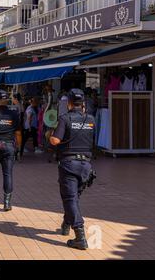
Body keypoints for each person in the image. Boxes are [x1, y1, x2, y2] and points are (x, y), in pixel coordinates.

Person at [49, 88, 96, 250]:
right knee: (74, 198)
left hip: (69, 164)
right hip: (86, 166)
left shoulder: (65, 119)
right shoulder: (90, 119)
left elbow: (55, 140)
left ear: (68, 102)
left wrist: (50, 135)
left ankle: (80, 236)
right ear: (82, 103)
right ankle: (66, 223)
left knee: (70, 199)